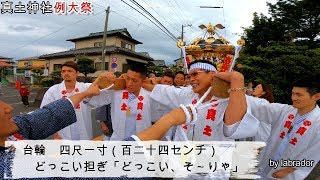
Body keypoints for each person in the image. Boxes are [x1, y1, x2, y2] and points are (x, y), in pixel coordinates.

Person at [221, 73, 320, 179]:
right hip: (266, 163)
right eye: (293, 93)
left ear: (316, 96)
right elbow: (261, 106)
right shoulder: (286, 111)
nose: (294, 98)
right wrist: (236, 92)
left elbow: (312, 155)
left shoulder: (318, 123)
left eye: (299, 95)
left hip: (286, 173)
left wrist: (287, 170)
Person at [0, 84, 100, 178]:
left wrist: (86, 93)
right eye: (64, 71)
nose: (9, 108)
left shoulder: (13, 130)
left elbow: (49, 114)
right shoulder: (10, 169)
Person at [143, 60, 256, 141]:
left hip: (211, 166)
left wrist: (237, 79)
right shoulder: (187, 93)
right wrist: (140, 83)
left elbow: (232, 129)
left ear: (212, 74)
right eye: (189, 76)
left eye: (195, 74)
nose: (191, 79)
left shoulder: (227, 99)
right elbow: (163, 90)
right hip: (183, 162)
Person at [87, 63, 159, 140]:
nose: (129, 83)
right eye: (127, 78)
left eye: (134, 80)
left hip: (141, 141)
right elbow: (89, 96)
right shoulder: (116, 92)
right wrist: (100, 79)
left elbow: (158, 117)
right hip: (118, 140)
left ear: (144, 81)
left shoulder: (151, 96)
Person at [40, 61, 93, 140]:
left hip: (83, 132)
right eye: (63, 71)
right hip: (62, 133)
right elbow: (46, 113)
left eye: (69, 71)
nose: (66, 73)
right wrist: (55, 132)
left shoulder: (85, 87)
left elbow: (100, 86)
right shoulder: (53, 90)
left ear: (77, 73)